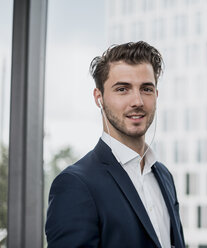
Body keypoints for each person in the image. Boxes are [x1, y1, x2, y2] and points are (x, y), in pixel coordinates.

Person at [45, 41, 185, 248]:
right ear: (98, 97)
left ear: (156, 95)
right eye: (122, 89)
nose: (137, 101)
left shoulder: (164, 175)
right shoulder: (75, 185)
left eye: (146, 89)